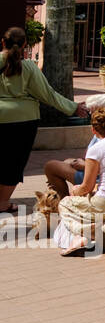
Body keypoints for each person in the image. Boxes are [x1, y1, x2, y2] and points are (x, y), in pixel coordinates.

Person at [0, 26, 84, 215]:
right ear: (24, 45)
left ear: (3, 42)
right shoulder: (28, 67)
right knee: (14, 161)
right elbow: (48, 95)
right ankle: (3, 203)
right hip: (23, 120)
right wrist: (73, 107)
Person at [53, 106, 105, 257]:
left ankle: (82, 236)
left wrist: (75, 191)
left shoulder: (96, 149)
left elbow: (86, 187)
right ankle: (85, 236)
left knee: (65, 203)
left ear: (93, 130)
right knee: (84, 200)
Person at [44, 93, 105, 198]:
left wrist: (74, 192)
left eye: (91, 112)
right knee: (65, 163)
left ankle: (63, 201)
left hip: (101, 180)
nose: (90, 115)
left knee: (51, 166)